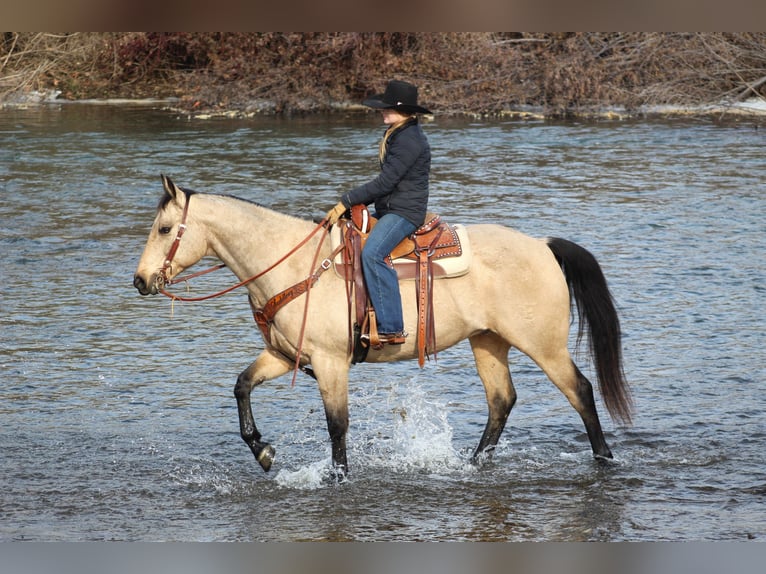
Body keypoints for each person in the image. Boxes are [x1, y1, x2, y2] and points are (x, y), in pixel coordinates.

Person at [326, 79, 432, 345]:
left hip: (405, 212)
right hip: (391, 208)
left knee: (373, 254)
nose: (382, 112)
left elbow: (386, 183)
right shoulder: (398, 133)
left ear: (405, 111)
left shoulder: (409, 141)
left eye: (387, 108)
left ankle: (391, 327)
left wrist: (347, 201)